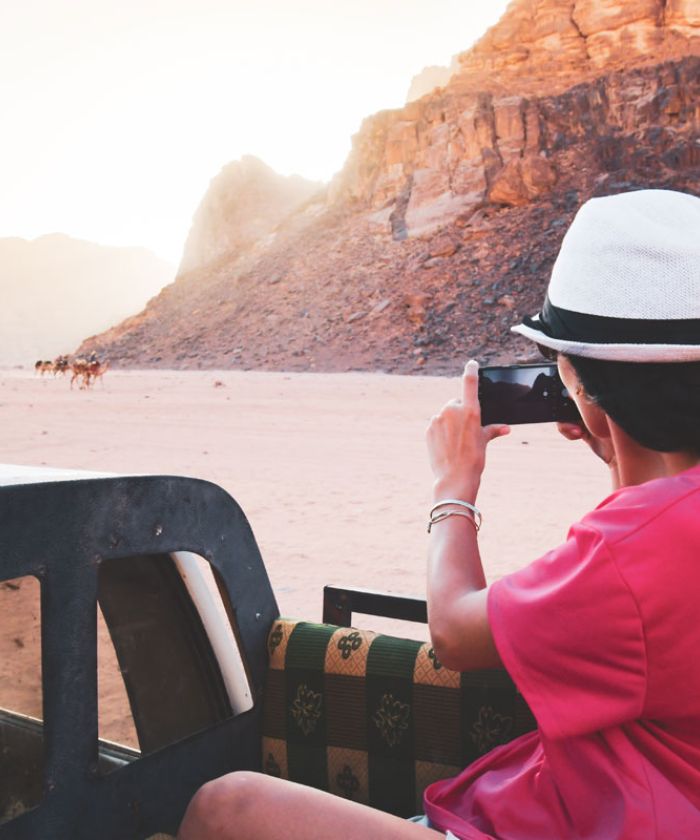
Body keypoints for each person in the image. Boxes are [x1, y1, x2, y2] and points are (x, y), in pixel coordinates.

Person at [177, 188, 700, 839]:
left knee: (227, 807)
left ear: (588, 395)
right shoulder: (659, 527)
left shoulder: (627, 551)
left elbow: (453, 633)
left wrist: (454, 484)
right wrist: (613, 442)